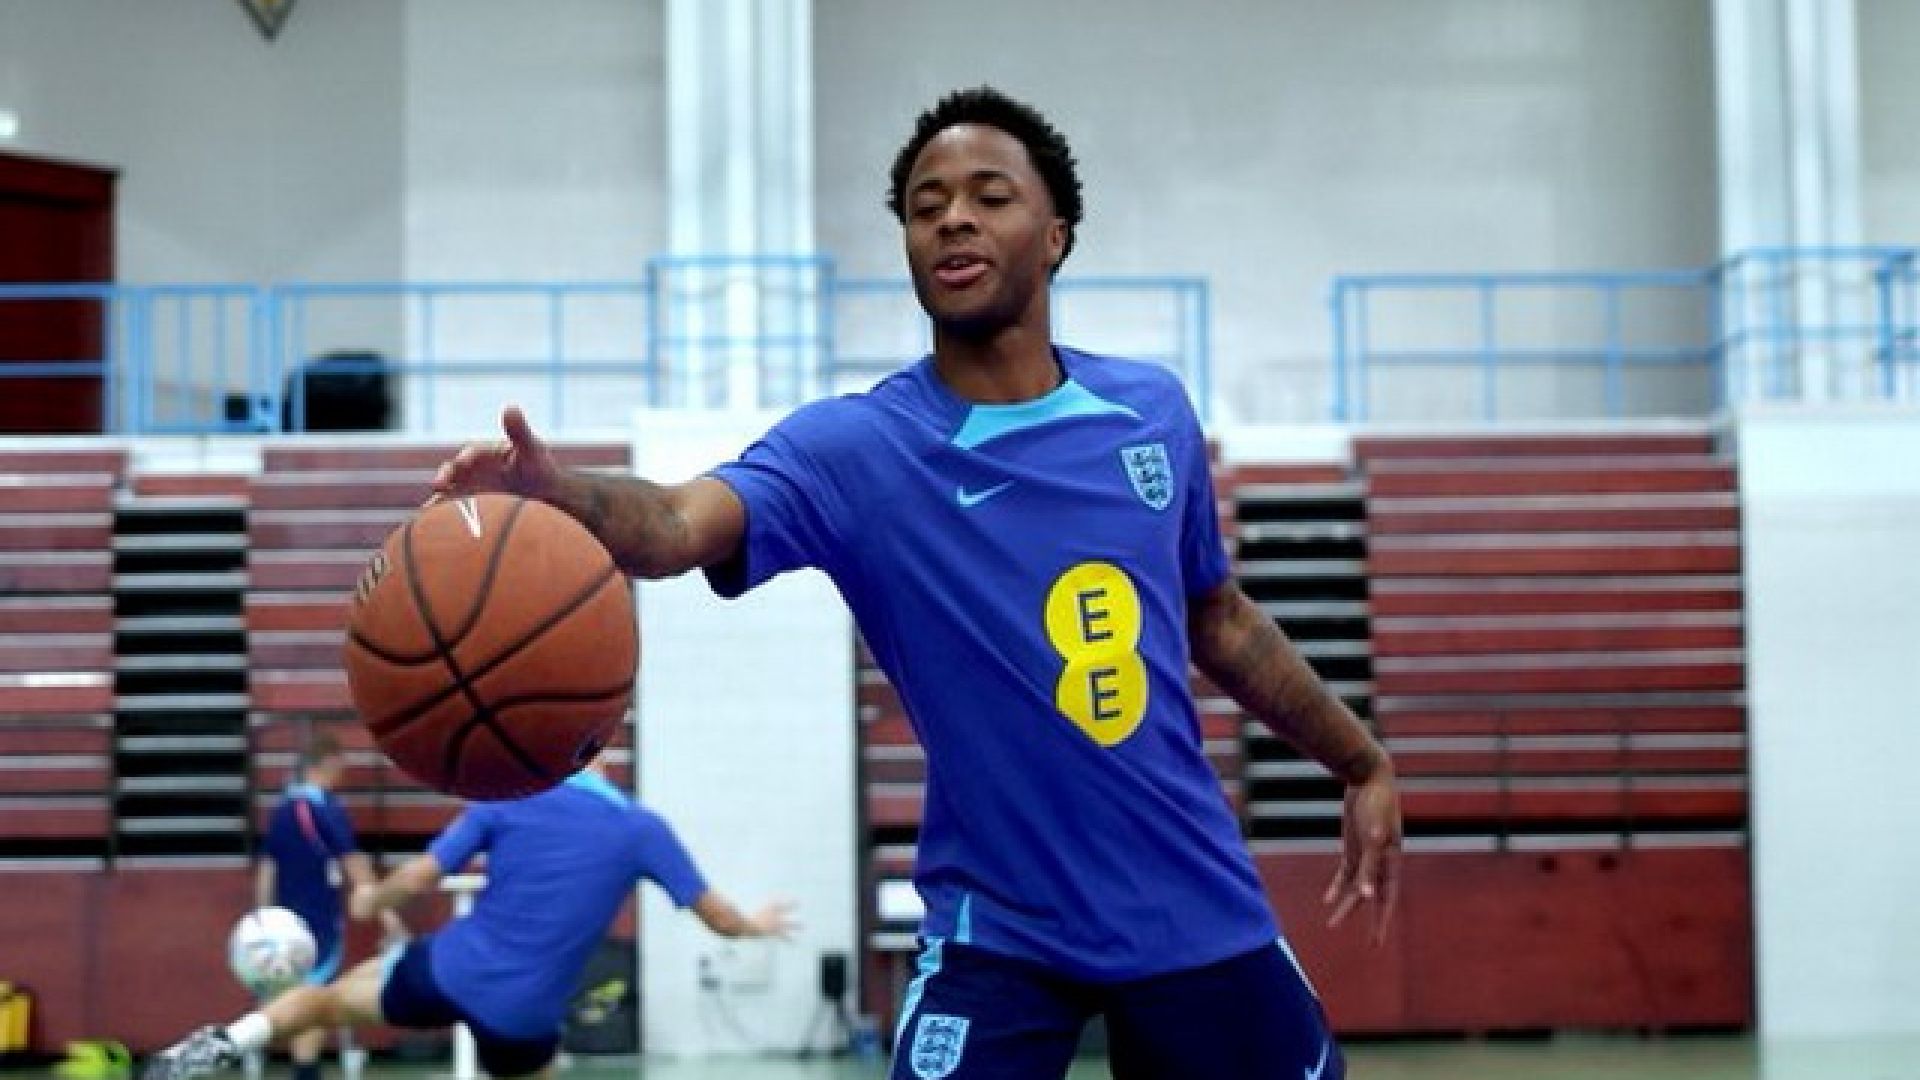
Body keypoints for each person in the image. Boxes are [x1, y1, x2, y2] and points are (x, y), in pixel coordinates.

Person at [428, 85, 1401, 1079]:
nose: (953, 219)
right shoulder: (859, 449)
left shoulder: (1149, 411)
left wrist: (1360, 762)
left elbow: (1220, 620)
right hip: (1000, 931)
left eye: (990, 196)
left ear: (1056, 236)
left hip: (1190, 898)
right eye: (926, 206)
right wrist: (560, 495)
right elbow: (678, 522)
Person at [145, 758, 795, 1080]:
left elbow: (421, 876)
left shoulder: (509, 799)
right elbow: (718, 916)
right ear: (605, 758)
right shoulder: (641, 829)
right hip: (524, 1016)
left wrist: (374, 901)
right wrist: (755, 926)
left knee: (325, 1000)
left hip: (447, 971)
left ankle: (229, 1041)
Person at [254, 731, 395, 1080]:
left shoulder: (282, 810)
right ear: (327, 763)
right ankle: (306, 1071)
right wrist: (387, 913)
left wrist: (262, 917)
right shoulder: (326, 809)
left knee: (292, 991)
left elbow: (267, 870)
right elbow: (354, 863)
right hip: (318, 918)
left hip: (282, 921)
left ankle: (299, 1066)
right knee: (314, 995)